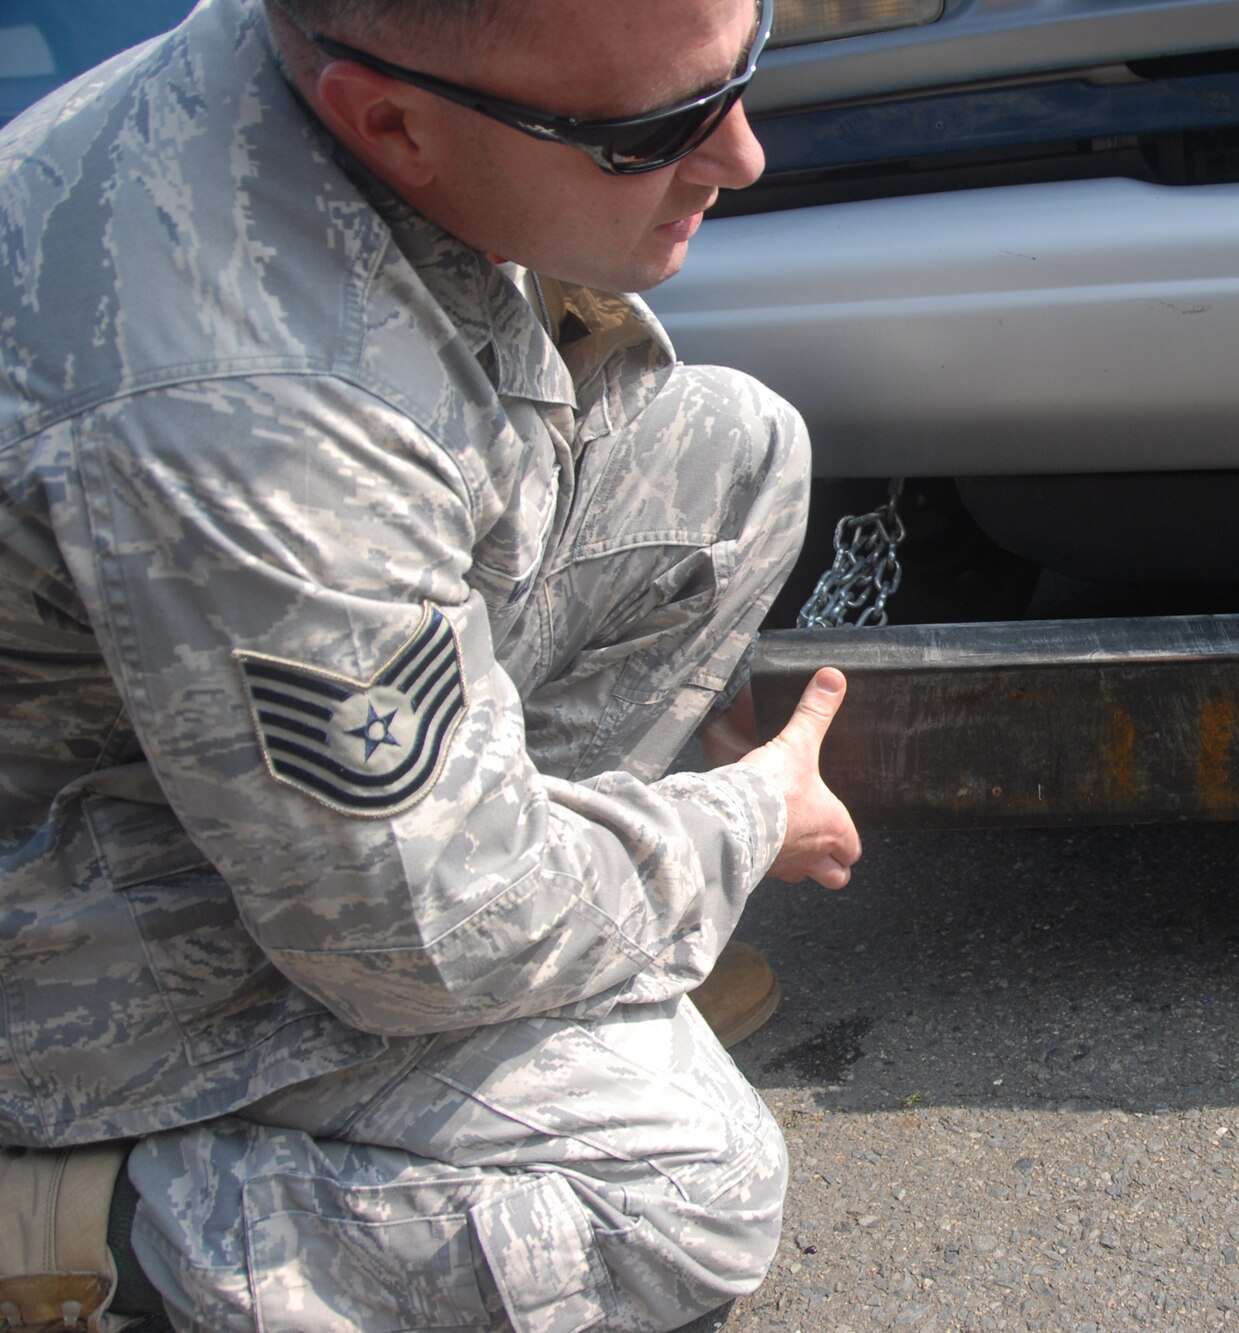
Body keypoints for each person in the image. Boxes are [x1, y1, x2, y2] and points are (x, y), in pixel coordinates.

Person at [0, 0, 863, 1325]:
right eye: (655, 130)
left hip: (208, 736)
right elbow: (417, 946)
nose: (743, 153)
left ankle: (538, 963)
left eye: (746, 64)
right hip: (64, 914)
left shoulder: (356, 67)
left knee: (731, 455)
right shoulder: (254, 420)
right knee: (685, 1189)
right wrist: (736, 824)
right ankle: (71, 1213)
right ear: (391, 123)